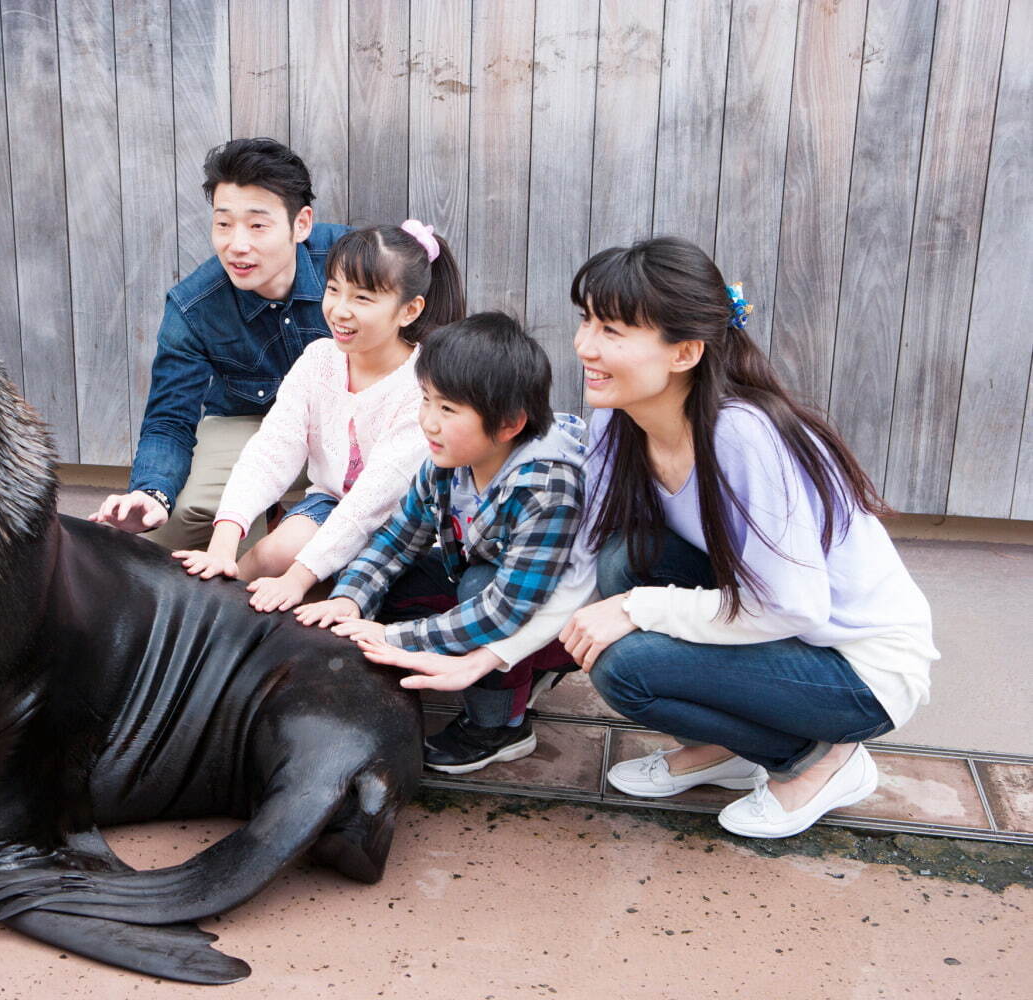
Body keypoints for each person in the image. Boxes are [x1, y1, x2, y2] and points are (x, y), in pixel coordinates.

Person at [378, 237, 936, 838]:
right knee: (625, 560)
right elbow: (581, 572)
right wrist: (485, 660)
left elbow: (794, 605)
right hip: (778, 634)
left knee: (626, 666)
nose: (585, 346)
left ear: (685, 352)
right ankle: (721, 749)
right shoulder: (616, 421)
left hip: (859, 669)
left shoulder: (743, 436)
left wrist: (638, 608)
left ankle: (816, 761)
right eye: (586, 320)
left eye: (613, 330)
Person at [294, 312, 587, 774]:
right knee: (374, 583)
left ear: (509, 423)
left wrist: (397, 637)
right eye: (426, 400)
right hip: (493, 586)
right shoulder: (449, 459)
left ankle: (500, 727)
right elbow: (396, 538)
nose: (429, 421)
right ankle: (500, 676)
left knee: (477, 587)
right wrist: (351, 599)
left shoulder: (545, 487)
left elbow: (505, 609)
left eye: (448, 409)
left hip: (558, 623)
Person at [170, 223, 465, 614]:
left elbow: (370, 504)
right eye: (333, 290)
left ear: (409, 310)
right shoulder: (320, 360)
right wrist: (223, 544)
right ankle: (208, 616)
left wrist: (297, 580)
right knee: (276, 551)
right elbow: (272, 450)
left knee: (313, 590)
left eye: (362, 297)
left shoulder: (423, 387)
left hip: (403, 527)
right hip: (331, 502)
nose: (340, 310)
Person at [90, 138, 349, 551]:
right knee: (162, 532)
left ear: (301, 224)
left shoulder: (351, 259)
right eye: (223, 223)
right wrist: (151, 492)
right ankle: (266, 517)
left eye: (257, 225)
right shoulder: (193, 307)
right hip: (251, 423)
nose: (237, 244)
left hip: (354, 417)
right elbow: (170, 417)